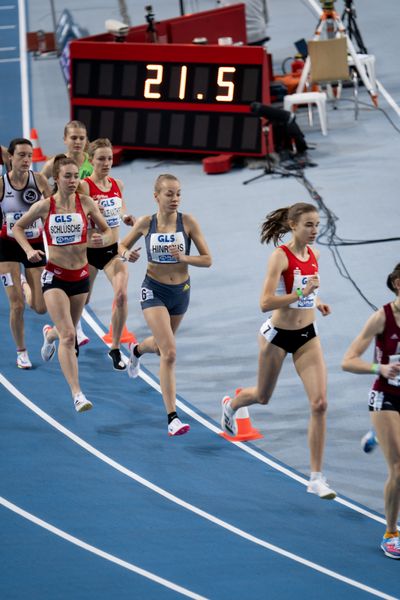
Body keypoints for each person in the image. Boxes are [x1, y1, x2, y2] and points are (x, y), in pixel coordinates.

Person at [221, 202, 336, 499]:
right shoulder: (279, 258)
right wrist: (301, 294)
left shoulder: (315, 255)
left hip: (308, 336)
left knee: (320, 403)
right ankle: (232, 405)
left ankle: (316, 477)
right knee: (262, 396)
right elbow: (265, 302)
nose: (314, 231)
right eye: (308, 225)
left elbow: (309, 286)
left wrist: (316, 300)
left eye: (317, 225)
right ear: (293, 225)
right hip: (277, 336)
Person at [13, 156, 111, 412]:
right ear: (56, 178)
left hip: (80, 278)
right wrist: (28, 252)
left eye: (75, 176)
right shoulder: (45, 206)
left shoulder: (86, 202)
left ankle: (50, 334)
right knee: (70, 336)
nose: (72, 180)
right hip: (54, 277)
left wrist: (100, 238)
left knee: (66, 329)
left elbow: (105, 229)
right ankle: (78, 394)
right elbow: (18, 229)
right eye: (67, 176)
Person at [119, 174, 212, 436]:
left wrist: (184, 257)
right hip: (154, 290)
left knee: (161, 348)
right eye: (169, 193)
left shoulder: (188, 222)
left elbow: (208, 259)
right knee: (170, 352)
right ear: (156, 196)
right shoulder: (146, 223)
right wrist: (128, 254)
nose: (175, 199)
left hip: (181, 291)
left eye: (178, 193)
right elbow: (121, 246)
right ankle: (172, 418)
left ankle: (136, 349)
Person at [342, 264, 400, 559]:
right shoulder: (382, 318)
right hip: (386, 396)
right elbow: (348, 360)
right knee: (399, 468)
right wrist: (382, 367)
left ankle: (380, 435)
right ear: (398, 284)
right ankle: (391, 533)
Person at [79, 138, 135, 371]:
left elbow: (119, 207)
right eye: (101, 159)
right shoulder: (83, 186)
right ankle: (53, 333)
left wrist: (125, 217)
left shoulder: (117, 183)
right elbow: (76, 216)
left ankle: (114, 347)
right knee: (84, 300)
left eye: (109, 158)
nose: (106, 163)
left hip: (112, 251)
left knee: (121, 295)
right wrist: (89, 232)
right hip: (88, 253)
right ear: (91, 161)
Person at [0, 138, 52, 368]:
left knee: (40, 308)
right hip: (7, 247)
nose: (26, 160)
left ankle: (24, 284)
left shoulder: (39, 180)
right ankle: (21, 351)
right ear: (10, 157)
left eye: (29, 155)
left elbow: (54, 209)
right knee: (17, 306)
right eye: (21, 155)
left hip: (35, 246)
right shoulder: (2, 185)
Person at [41, 120, 93, 346]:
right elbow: (40, 183)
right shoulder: (54, 163)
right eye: (73, 138)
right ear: (65, 139)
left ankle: (57, 332)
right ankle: (74, 329)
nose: (78, 142)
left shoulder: (91, 164)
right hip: (57, 226)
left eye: (82, 138)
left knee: (85, 288)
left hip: (83, 228)